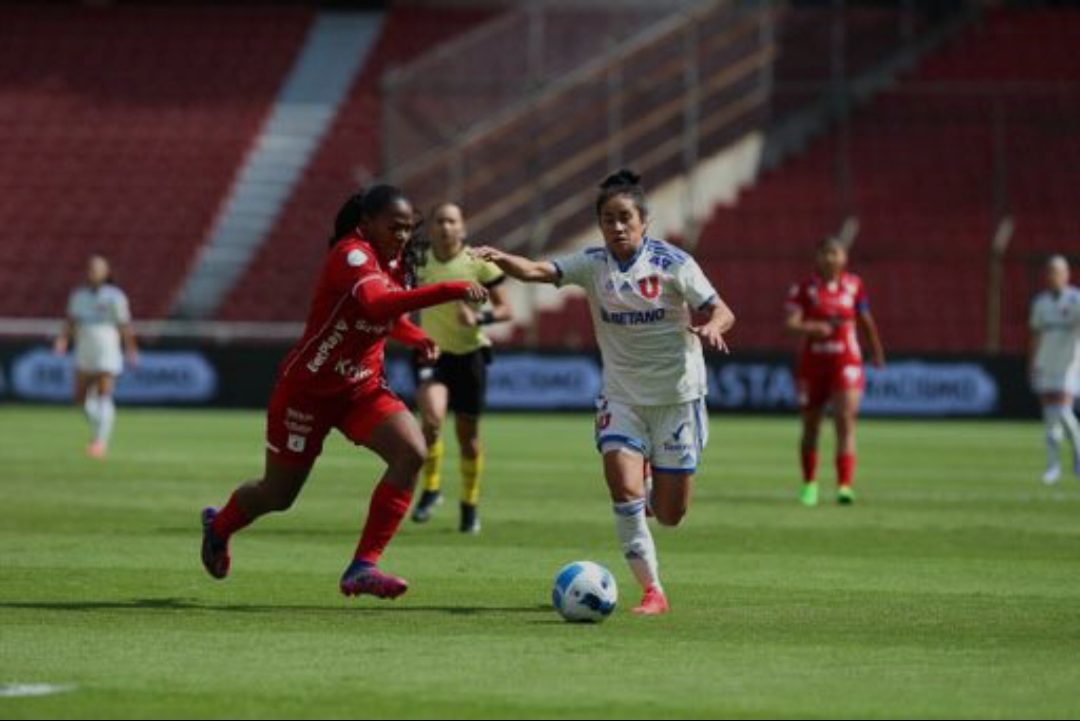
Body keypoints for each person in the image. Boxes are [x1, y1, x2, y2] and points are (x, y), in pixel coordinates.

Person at [199, 185, 489, 600]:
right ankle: (220, 526)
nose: (404, 235)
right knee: (278, 495)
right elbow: (374, 304)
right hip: (308, 392)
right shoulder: (351, 255)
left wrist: (414, 337)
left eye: (409, 228)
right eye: (395, 227)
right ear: (366, 223)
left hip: (360, 388)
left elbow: (388, 318)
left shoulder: (398, 260)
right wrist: (451, 289)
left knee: (412, 452)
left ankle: (362, 567)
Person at [474, 169, 734, 615]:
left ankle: (654, 481)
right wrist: (500, 259)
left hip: (676, 399)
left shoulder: (674, 264)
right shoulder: (593, 264)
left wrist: (712, 325)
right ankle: (653, 590)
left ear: (644, 221)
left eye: (625, 218)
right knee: (623, 493)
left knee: (670, 515)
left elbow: (721, 309)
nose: (616, 227)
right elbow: (539, 270)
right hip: (622, 399)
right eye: (608, 219)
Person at [411, 202, 513, 533]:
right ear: (431, 228)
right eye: (439, 220)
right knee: (431, 420)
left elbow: (506, 310)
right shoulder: (420, 262)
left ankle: (469, 504)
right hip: (433, 354)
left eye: (452, 221)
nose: (445, 227)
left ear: (463, 228)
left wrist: (479, 317)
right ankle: (431, 488)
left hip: (470, 356)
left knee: (467, 438)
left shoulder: (477, 264)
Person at [784, 236, 885, 507]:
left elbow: (865, 320)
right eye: (825, 253)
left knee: (845, 420)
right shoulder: (804, 289)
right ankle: (809, 485)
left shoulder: (854, 286)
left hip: (846, 361)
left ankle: (844, 485)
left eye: (835, 253)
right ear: (817, 257)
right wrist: (812, 328)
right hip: (812, 364)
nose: (830, 258)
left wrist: (876, 351)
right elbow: (790, 324)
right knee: (811, 426)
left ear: (844, 258)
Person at [53, 255, 138, 458]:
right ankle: (98, 427)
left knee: (103, 392)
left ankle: (99, 441)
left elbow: (125, 325)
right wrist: (62, 340)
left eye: (97, 268)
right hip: (85, 346)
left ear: (106, 272)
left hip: (107, 345)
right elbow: (71, 321)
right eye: (90, 268)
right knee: (80, 398)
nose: (93, 272)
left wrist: (131, 349)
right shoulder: (79, 296)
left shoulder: (115, 297)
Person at [1029, 254, 1080, 484]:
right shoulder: (1041, 303)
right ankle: (1053, 467)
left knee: (1062, 412)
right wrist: (1032, 363)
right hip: (1046, 364)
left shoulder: (1076, 300)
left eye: (1057, 272)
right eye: (1050, 272)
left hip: (1069, 365)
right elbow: (1035, 335)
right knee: (1050, 418)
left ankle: (1077, 453)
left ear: (1066, 274)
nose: (1053, 276)